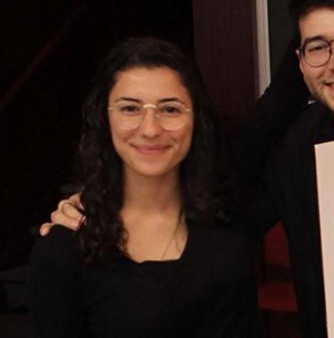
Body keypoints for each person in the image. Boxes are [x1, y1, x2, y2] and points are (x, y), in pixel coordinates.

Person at [42, 0, 334, 337]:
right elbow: (208, 195)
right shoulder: (292, 152)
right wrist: (102, 203)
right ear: (301, 61)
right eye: (319, 47)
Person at [29, 37, 259, 337]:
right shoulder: (65, 247)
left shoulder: (229, 238)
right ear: (104, 118)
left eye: (171, 109)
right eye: (130, 109)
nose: (150, 129)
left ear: (196, 120)